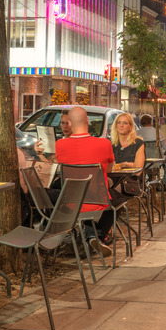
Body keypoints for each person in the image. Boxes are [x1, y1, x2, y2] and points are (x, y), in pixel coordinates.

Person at [55, 107, 117, 257]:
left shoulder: (60, 145)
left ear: (69, 123)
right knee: (117, 201)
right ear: (88, 121)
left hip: (71, 202)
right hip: (98, 201)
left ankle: (91, 237)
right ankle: (96, 237)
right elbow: (109, 169)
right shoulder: (104, 144)